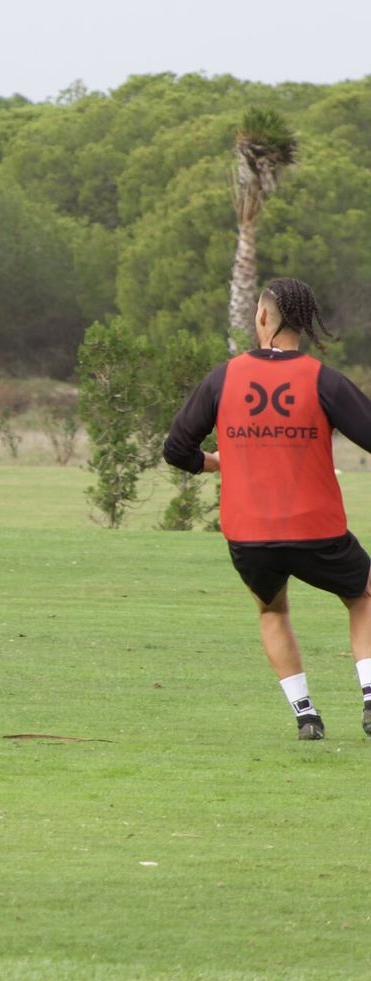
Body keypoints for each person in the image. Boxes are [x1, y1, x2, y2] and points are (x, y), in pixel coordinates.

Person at [164, 277, 371, 740]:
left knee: (272, 612)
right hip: (316, 529)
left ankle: (306, 716)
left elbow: (176, 448)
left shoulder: (223, 377)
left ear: (261, 317)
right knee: (363, 595)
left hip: (249, 533)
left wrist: (212, 463)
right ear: (305, 324)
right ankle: (370, 697)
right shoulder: (324, 381)